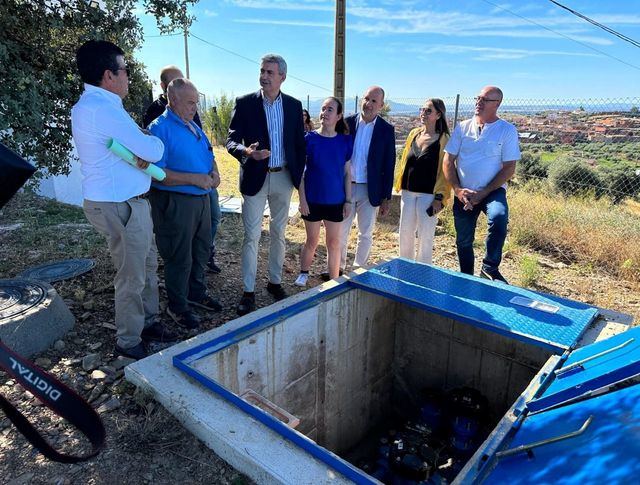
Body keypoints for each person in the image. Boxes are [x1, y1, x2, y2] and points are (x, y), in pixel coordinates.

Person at [71, 40, 176, 360]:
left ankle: (147, 322)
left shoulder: (97, 107)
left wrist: (142, 145)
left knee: (144, 265)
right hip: (121, 205)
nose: (129, 76)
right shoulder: (102, 109)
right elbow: (155, 151)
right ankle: (129, 342)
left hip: (127, 202)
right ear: (108, 75)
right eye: (125, 70)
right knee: (131, 274)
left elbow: (138, 149)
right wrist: (148, 142)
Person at [226, 54, 306, 315]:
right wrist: (247, 153)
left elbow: (298, 145)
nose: (264, 76)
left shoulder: (294, 107)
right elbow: (231, 140)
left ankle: (275, 282)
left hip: (283, 177)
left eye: (270, 72)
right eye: (262, 71)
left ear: (282, 76)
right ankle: (248, 291)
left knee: (279, 233)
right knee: (251, 236)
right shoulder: (245, 103)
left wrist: (298, 175)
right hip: (255, 177)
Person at [148, 78, 222, 329]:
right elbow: (157, 173)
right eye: (190, 103)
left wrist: (214, 173)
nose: (195, 108)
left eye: (197, 103)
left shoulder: (192, 126)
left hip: (201, 198)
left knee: (201, 250)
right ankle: (177, 305)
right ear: (173, 100)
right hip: (176, 201)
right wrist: (194, 179)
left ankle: (196, 293)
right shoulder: (160, 128)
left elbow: (209, 153)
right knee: (179, 255)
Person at [443, 86, 521, 283]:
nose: (479, 102)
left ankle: (489, 267)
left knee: (499, 217)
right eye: (478, 98)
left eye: (485, 100)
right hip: (464, 191)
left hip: (492, 191)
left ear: (497, 104)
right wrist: (458, 190)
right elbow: (447, 161)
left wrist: (484, 191)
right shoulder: (462, 127)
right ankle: (466, 276)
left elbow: (509, 168)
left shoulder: (507, 130)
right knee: (463, 239)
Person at [295, 97, 352, 286]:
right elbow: (300, 174)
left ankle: (333, 280)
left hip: (335, 201)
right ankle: (304, 273)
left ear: (338, 116)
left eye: (330, 110)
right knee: (311, 240)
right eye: (323, 108)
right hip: (312, 200)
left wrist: (348, 200)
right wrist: (302, 199)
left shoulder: (345, 141)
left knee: (334, 243)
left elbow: (346, 173)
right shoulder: (309, 139)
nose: (325, 113)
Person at [339, 86, 396, 273]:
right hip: (346, 187)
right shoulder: (346, 123)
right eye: (366, 99)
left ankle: (358, 269)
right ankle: (337, 269)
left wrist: (386, 197)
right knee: (341, 231)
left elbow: (389, 164)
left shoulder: (386, 130)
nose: (368, 104)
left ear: (381, 105)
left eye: (373, 101)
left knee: (365, 232)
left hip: (370, 190)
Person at [393, 98, 451, 264]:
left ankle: (423, 270)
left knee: (425, 236)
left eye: (428, 111)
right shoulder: (414, 134)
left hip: (429, 195)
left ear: (438, 115)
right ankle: (405, 267)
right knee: (405, 232)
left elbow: (445, 170)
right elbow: (405, 160)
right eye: (422, 109)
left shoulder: (444, 139)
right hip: (407, 192)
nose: (423, 113)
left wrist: (440, 198)